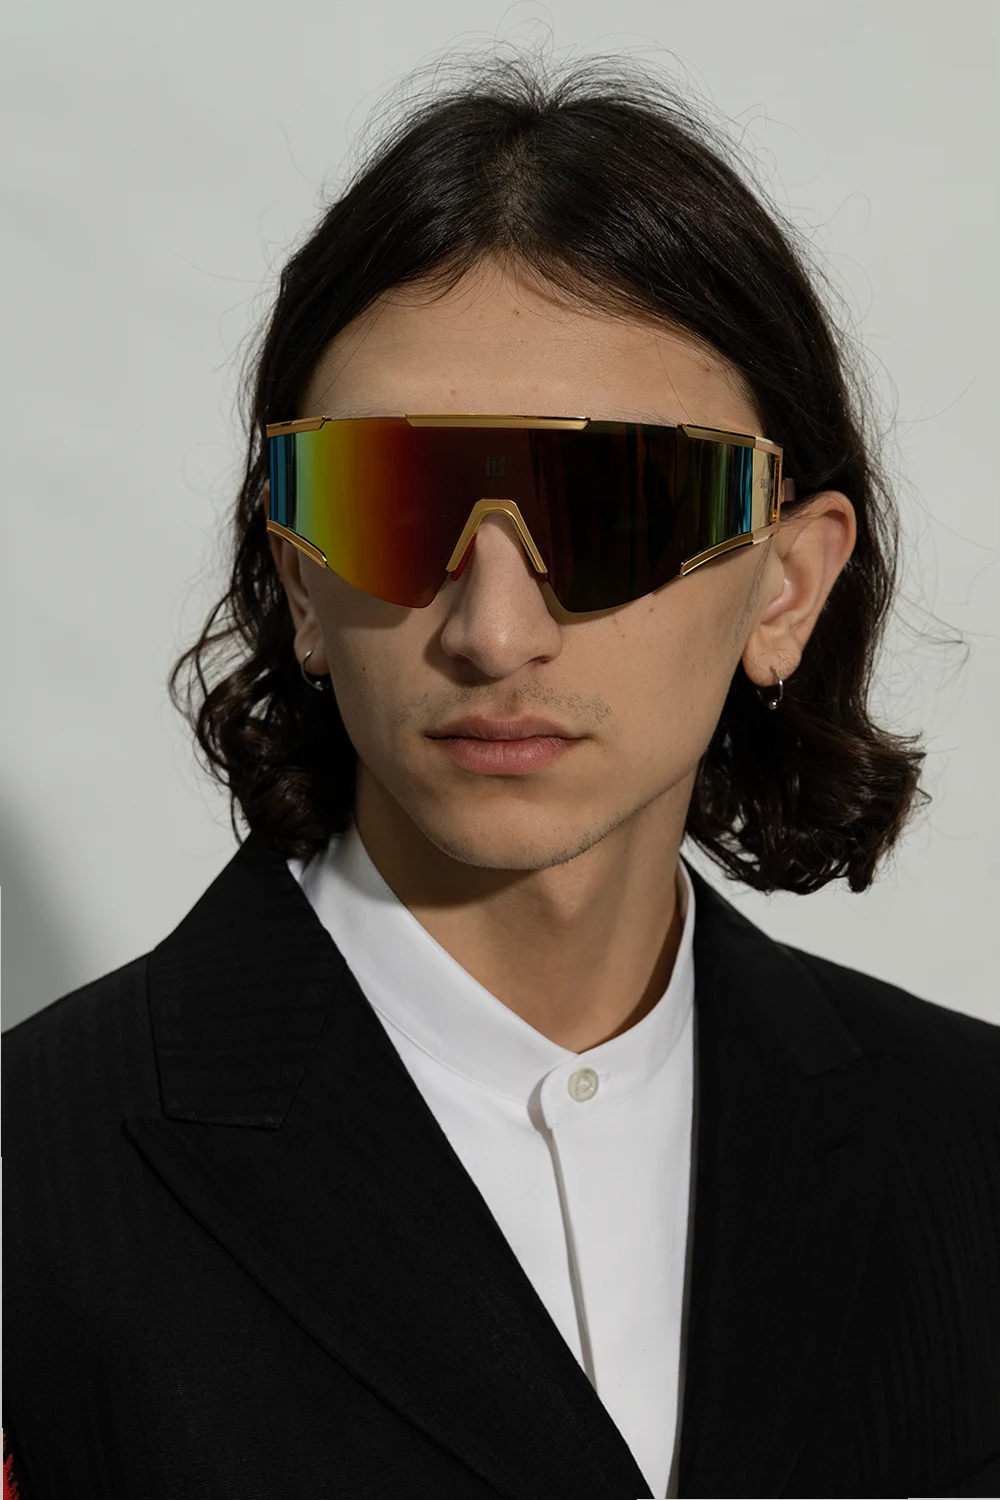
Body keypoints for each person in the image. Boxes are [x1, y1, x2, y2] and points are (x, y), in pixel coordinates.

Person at [3, 50, 998, 1500]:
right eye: (391, 503)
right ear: (298, 581)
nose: (493, 630)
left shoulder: (973, 1150)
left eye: (611, 508)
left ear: (787, 585)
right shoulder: (31, 1182)